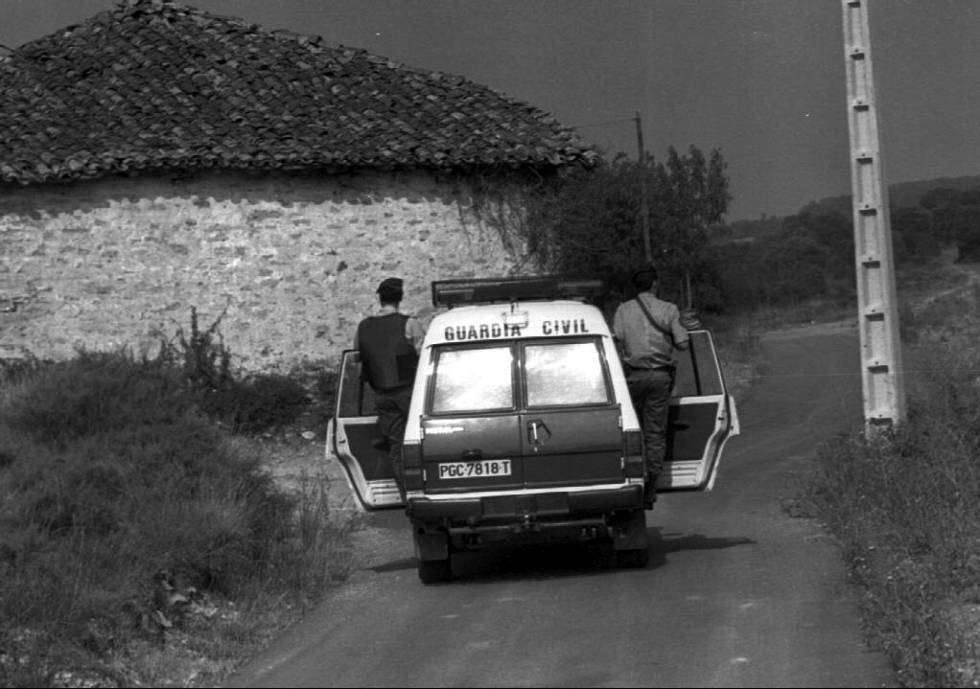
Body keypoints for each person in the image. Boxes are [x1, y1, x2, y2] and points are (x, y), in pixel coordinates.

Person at [612, 266, 691, 507]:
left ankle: (630, 480)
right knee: (654, 431)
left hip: (631, 379)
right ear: (655, 284)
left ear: (635, 287)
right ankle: (651, 485)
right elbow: (683, 343)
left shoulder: (623, 310)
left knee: (630, 431)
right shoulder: (668, 309)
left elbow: (616, 340)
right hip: (659, 378)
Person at [354, 277, 425, 492]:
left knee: (396, 447)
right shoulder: (409, 323)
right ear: (400, 298)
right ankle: (429, 490)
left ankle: (407, 495)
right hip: (410, 393)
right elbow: (424, 359)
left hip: (382, 395)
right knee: (423, 440)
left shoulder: (363, 327)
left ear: (379, 299)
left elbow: (359, 364)